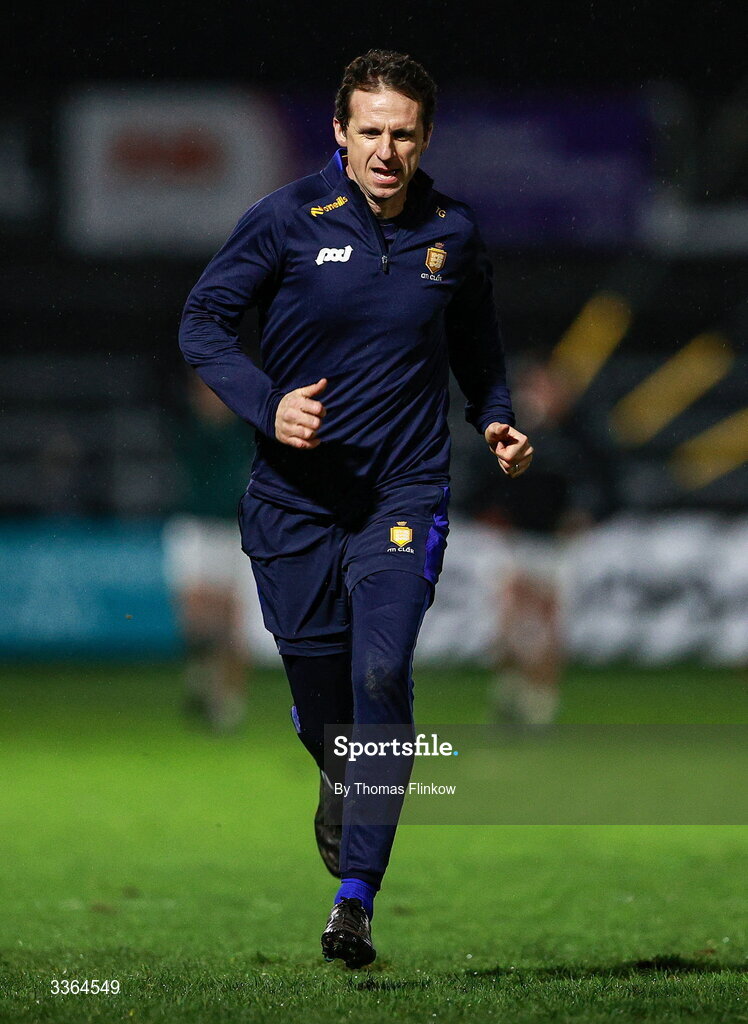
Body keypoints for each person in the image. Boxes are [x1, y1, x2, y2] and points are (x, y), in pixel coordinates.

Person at [178, 49, 533, 968]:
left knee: (383, 679)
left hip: (403, 496)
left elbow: (480, 350)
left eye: (403, 133)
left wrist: (496, 418)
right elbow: (201, 324)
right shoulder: (286, 219)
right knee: (324, 718)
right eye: (369, 131)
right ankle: (345, 776)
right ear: (340, 132)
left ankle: (354, 902)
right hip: (293, 504)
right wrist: (268, 402)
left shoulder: (453, 231)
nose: (385, 150)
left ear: (425, 138)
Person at [163, 371, 255, 732]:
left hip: (235, 530)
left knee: (232, 618)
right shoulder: (187, 427)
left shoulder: (246, 428)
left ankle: (228, 703)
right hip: (195, 526)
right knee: (197, 615)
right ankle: (201, 676)